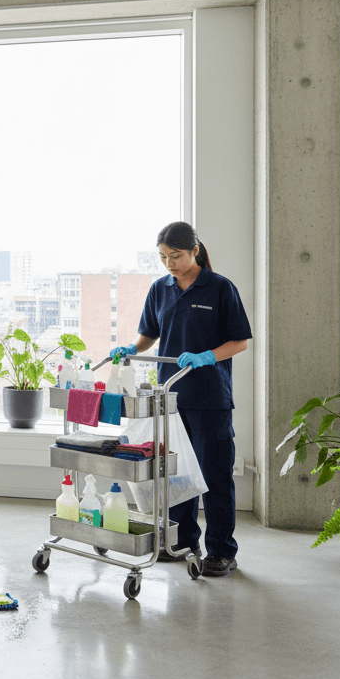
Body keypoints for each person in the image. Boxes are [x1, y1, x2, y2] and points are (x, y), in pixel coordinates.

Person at [110, 221, 251, 577]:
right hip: (169, 399)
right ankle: (183, 542)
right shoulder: (160, 289)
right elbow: (148, 335)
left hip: (209, 399)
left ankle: (221, 551)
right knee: (177, 476)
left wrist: (207, 356)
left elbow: (240, 341)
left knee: (214, 476)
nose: (169, 264)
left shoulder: (220, 288)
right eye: (162, 257)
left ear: (195, 251)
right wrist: (131, 348)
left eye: (175, 256)